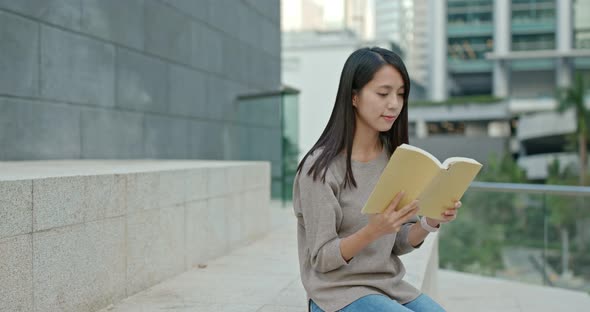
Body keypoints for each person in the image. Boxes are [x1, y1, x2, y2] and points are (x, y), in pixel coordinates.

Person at [292, 47, 461, 312]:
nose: (394, 103)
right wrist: (373, 230)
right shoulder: (320, 169)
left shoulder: (397, 158)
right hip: (336, 295)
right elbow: (322, 258)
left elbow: (399, 242)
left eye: (401, 94)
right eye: (383, 93)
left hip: (389, 287)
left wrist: (430, 221)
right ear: (354, 97)